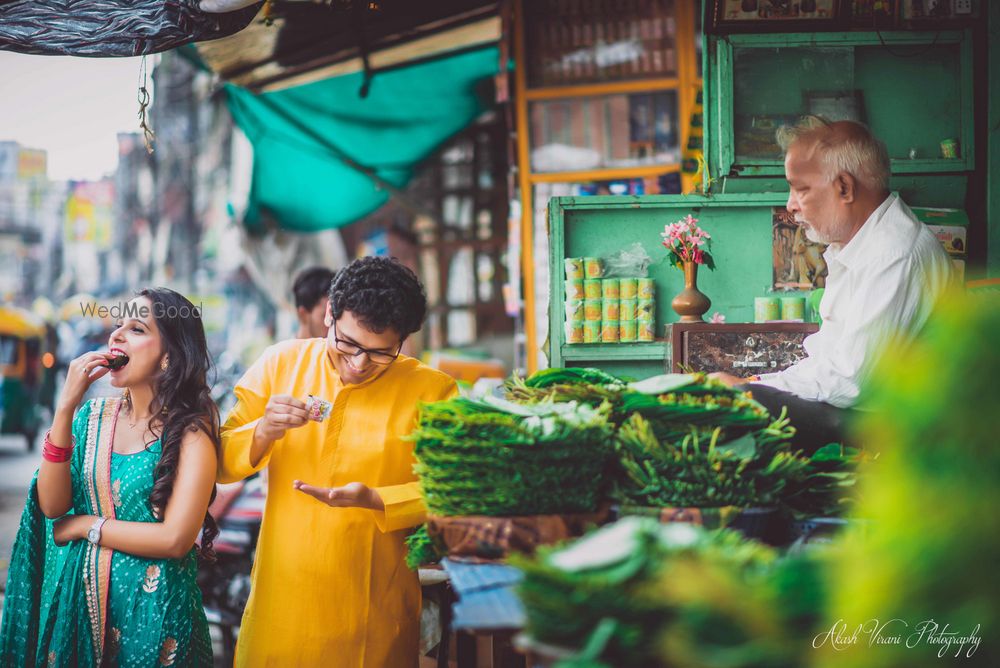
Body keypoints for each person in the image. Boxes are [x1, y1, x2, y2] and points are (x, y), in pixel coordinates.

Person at [218, 256, 457, 666]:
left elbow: (453, 490)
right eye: (348, 343)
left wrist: (380, 499)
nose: (359, 363)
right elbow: (220, 461)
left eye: (381, 352)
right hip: (283, 607)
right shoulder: (281, 363)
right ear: (328, 313)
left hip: (373, 617)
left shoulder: (432, 391)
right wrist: (262, 431)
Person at [0, 288, 220, 666]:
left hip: (156, 624)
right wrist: (66, 406)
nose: (116, 335)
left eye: (136, 328)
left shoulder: (191, 433)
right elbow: (53, 506)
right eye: (117, 326)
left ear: (168, 356)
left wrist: (87, 525)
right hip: (79, 614)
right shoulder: (92, 418)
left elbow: (175, 539)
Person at [711, 117, 954, 451]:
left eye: (801, 188)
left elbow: (849, 380)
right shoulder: (859, 247)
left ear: (844, 188)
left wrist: (750, 387)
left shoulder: (893, 253)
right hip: (871, 416)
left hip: (904, 436)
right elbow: (828, 360)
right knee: (738, 399)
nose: (790, 204)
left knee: (741, 406)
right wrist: (756, 382)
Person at [292, 265, 336, 339]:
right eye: (325, 315)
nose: (334, 324)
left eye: (336, 315)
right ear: (303, 315)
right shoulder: (283, 350)